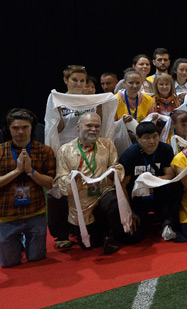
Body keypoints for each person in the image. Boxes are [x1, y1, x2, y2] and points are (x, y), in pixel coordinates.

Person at [54, 112, 128, 254]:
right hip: (82, 204)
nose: (93, 129)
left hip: (103, 194)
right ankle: (97, 235)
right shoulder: (65, 150)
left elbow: (117, 168)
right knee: (90, 245)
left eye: (97, 126)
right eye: (89, 126)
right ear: (78, 127)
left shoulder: (107, 145)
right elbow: (60, 181)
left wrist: (114, 173)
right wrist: (72, 180)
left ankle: (110, 236)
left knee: (114, 200)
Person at [0, 109, 55, 267]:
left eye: (25, 127)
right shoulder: (1, 151)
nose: (20, 132)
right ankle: (17, 244)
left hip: (35, 213)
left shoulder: (45, 151)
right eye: (15, 128)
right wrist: (17, 171)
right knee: (10, 263)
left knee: (37, 258)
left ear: (32, 128)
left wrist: (31, 171)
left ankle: (24, 243)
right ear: (8, 129)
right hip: (6, 216)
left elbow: (50, 183)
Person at [119, 121, 178, 242]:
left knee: (175, 185)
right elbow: (122, 186)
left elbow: (170, 175)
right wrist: (130, 212)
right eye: (146, 138)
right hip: (137, 199)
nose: (152, 141)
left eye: (155, 136)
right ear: (137, 138)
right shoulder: (129, 155)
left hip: (158, 194)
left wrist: (149, 182)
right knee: (133, 238)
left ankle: (168, 221)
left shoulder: (165, 149)